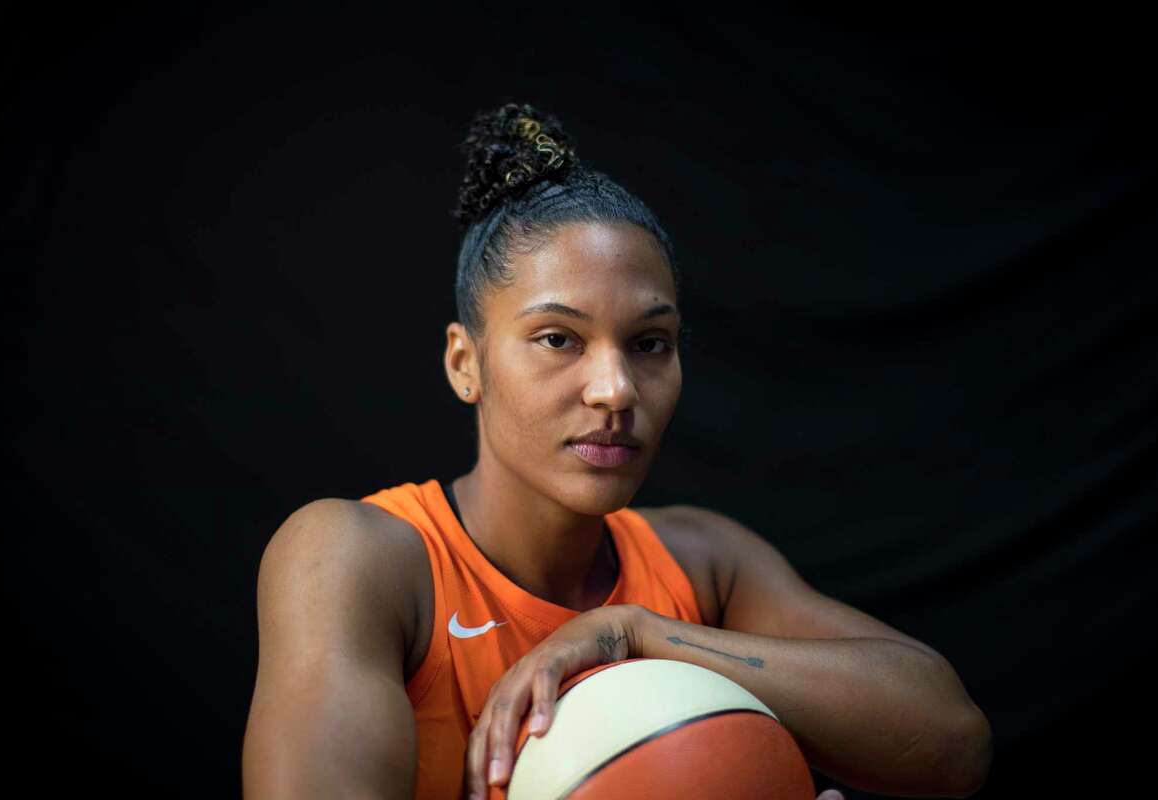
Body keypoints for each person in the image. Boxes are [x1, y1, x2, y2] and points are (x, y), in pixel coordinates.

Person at [242, 102, 992, 800]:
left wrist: (635, 631)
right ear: (464, 363)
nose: (615, 389)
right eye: (558, 339)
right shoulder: (358, 560)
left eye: (649, 344)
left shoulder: (700, 563)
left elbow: (952, 741)